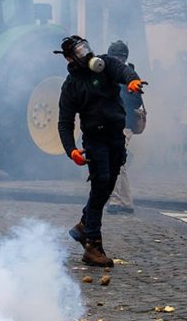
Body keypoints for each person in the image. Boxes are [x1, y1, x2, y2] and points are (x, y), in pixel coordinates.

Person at [56, 35, 145, 267]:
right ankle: (92, 246)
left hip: (115, 136)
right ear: (69, 58)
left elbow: (122, 70)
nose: (85, 53)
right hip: (94, 139)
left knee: (108, 185)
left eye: (85, 47)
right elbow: (65, 123)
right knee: (100, 184)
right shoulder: (71, 86)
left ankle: (84, 225)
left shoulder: (105, 64)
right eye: (79, 51)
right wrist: (71, 150)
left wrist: (132, 81)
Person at [105, 40, 144, 215]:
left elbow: (136, 100)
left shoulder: (131, 75)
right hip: (112, 123)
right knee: (119, 164)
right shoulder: (109, 73)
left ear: (123, 58)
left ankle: (115, 201)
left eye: (117, 58)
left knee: (114, 162)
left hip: (124, 123)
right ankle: (127, 202)